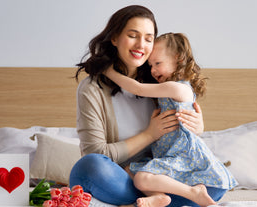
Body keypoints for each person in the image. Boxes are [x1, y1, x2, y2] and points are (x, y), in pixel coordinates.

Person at [69, 5, 210, 207]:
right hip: (120, 178)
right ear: (115, 38)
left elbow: (181, 141)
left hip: (160, 175)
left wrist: (197, 127)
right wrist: (150, 134)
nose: (141, 45)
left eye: (148, 39)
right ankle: (164, 198)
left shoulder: (159, 81)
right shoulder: (92, 89)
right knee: (90, 167)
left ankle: (154, 199)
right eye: (133, 35)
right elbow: (96, 153)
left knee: (213, 178)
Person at [103, 32, 237, 207]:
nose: (153, 70)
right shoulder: (168, 88)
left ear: (178, 58)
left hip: (183, 157)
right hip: (169, 156)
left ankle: (194, 192)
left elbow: (138, 89)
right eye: (150, 65)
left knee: (141, 178)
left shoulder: (178, 88)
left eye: (158, 63)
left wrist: (108, 71)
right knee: (130, 171)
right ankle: (158, 197)